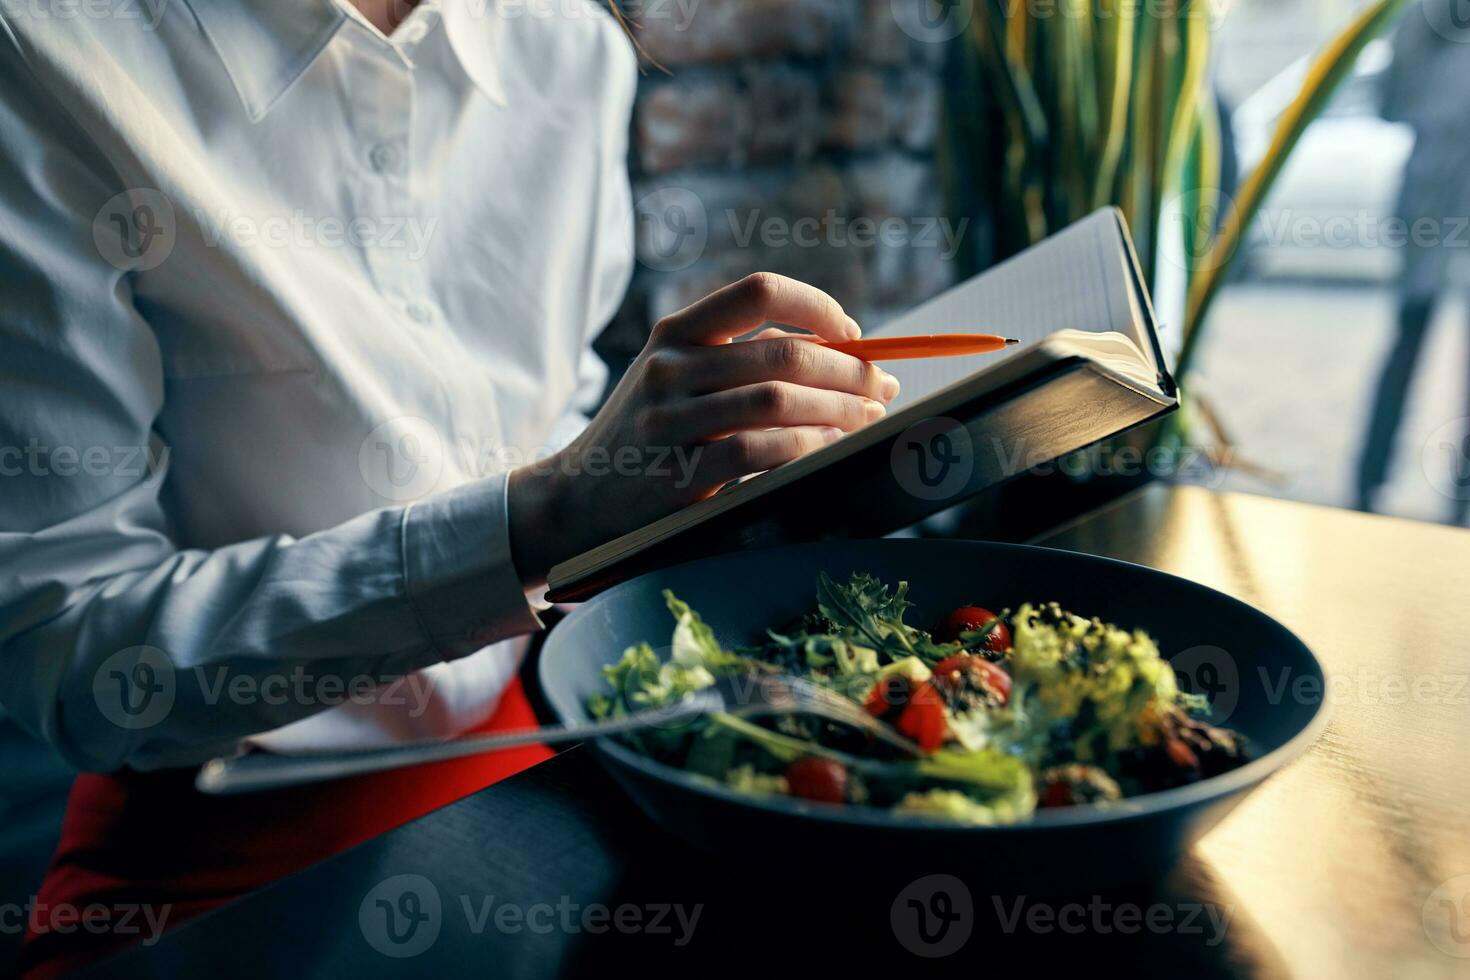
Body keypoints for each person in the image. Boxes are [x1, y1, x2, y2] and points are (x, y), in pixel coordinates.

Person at [0, 0, 900, 972]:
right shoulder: (47, 50)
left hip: (535, 760)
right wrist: (547, 512)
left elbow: (555, 407)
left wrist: (665, 472)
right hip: (223, 835)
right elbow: (70, 642)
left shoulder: (571, 47)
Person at [1356, 7, 1470, 524]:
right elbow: (1391, 100)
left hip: (1432, 191)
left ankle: (1453, 498)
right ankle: (1367, 482)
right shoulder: (1424, 17)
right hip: (1433, 195)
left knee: (1408, 340)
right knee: (1407, 339)